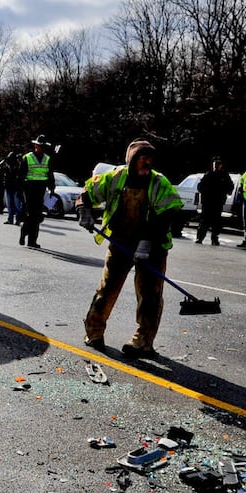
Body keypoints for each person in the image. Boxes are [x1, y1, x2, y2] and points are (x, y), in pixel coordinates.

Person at [75, 139, 183, 359]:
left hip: (153, 247)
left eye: (150, 159)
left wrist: (147, 242)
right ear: (132, 160)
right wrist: (83, 210)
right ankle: (94, 333)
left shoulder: (159, 183)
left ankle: (143, 342)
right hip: (121, 242)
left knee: (150, 296)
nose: (147, 163)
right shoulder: (115, 177)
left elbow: (168, 214)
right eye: (143, 158)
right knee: (107, 289)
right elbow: (87, 192)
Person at [21, 136, 53, 248]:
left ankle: (32, 241)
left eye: (44, 146)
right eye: (40, 146)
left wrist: (52, 188)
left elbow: (50, 174)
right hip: (29, 188)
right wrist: (21, 190)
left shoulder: (47, 158)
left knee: (38, 216)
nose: (42, 148)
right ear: (36, 146)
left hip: (41, 189)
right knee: (31, 215)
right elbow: (21, 174)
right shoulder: (27, 157)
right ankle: (24, 232)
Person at [194, 157, 234, 245]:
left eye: (218, 164)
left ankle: (214, 239)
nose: (216, 166)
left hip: (218, 202)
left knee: (216, 222)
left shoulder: (224, 175)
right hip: (207, 202)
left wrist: (224, 193)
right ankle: (200, 238)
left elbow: (230, 186)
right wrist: (205, 192)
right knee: (204, 221)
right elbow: (200, 186)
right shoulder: (208, 174)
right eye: (215, 164)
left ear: (221, 166)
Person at [0, 148, 27, 227]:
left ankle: (18, 219)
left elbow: (21, 175)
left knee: (17, 205)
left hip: (16, 188)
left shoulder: (18, 167)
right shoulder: (7, 167)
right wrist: (5, 160)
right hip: (8, 187)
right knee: (10, 204)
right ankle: (10, 219)